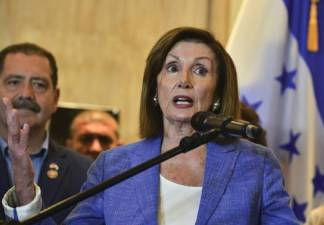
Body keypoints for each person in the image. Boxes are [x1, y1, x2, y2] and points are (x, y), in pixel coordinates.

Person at [2, 27, 299, 224]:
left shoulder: (254, 164)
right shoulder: (114, 165)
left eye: (200, 69)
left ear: (218, 92)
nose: (184, 79)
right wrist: (27, 193)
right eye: (172, 67)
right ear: (156, 89)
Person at [0, 43, 92, 223]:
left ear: (56, 98)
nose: (26, 94)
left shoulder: (85, 172)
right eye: (14, 82)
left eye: (39, 84)